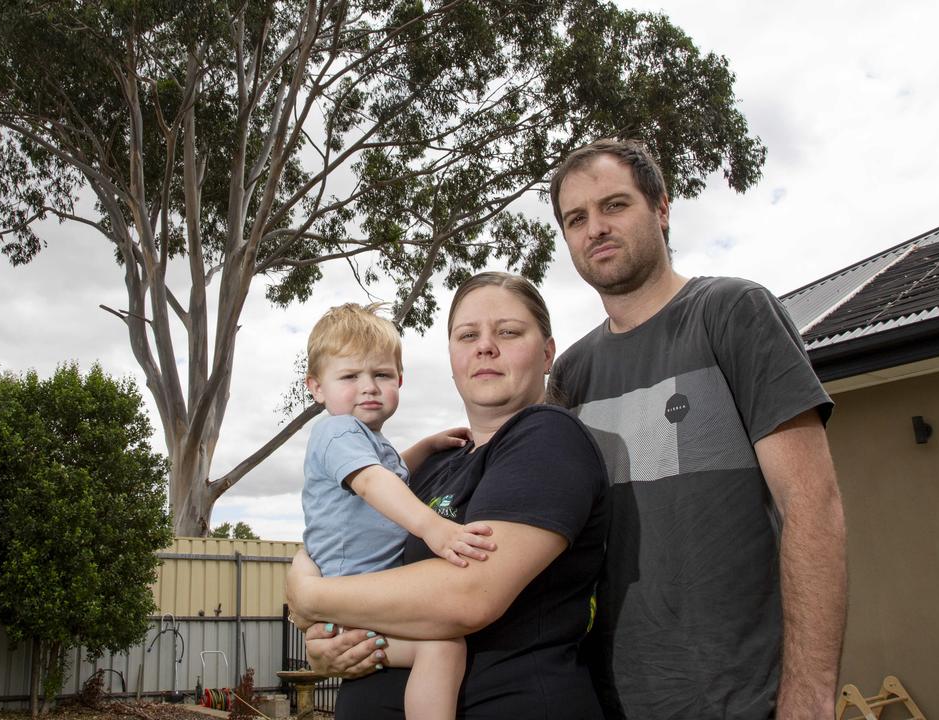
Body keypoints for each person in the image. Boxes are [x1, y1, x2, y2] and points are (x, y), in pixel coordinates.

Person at [548, 138, 847, 719]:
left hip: (739, 698)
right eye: (576, 218)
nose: (595, 229)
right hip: (605, 699)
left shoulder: (733, 312)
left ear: (661, 209)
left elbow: (812, 504)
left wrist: (809, 696)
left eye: (615, 205)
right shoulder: (571, 374)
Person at [287, 273, 611, 719]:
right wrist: (326, 643)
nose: (485, 346)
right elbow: (341, 529)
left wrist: (309, 597)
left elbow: (469, 595)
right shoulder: (440, 464)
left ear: (547, 354)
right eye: (468, 335)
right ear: (452, 358)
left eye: (508, 332)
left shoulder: (546, 437)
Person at [299, 302, 498, 720]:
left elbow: (389, 473)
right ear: (316, 388)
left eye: (382, 375)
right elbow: (373, 483)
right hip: (355, 596)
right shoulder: (336, 431)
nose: (368, 386)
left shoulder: (368, 439)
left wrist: (426, 446)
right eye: (350, 376)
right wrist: (433, 528)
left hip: (363, 594)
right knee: (443, 645)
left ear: (400, 381)